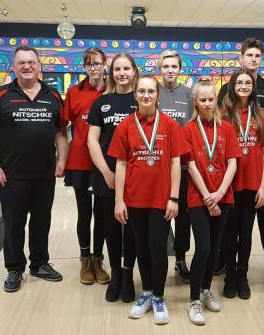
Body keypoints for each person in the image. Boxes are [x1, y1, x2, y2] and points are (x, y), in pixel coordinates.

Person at [0, 45, 68, 293]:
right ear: (14, 66)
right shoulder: (1, 95)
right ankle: (14, 268)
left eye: (31, 62)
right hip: (11, 175)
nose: (27, 66)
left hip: (44, 175)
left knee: (42, 222)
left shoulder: (53, 96)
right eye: (22, 63)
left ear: (39, 66)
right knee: (14, 223)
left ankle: (39, 264)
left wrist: (62, 160)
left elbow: (61, 131)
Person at [109, 75, 188, 325]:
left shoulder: (169, 125)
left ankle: (160, 297)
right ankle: (147, 293)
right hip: (134, 199)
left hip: (161, 199)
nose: (146, 95)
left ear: (157, 95)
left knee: (157, 248)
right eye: (141, 91)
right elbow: (120, 164)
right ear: (135, 95)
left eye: (150, 91)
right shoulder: (125, 126)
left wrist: (174, 197)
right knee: (141, 247)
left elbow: (176, 162)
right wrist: (119, 201)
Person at [218, 37, 264, 277]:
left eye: (258, 56)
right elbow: (221, 123)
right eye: (250, 55)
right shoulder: (227, 89)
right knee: (230, 214)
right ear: (241, 58)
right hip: (232, 165)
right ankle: (223, 259)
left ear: (261, 59)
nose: (254, 60)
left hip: (257, 162)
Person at [183, 81, 240, 325]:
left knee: (215, 249)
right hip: (199, 197)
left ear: (216, 100)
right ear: (195, 102)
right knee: (204, 248)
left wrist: (218, 194)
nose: (207, 104)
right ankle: (194, 299)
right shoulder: (188, 129)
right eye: (202, 100)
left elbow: (233, 164)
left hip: (223, 196)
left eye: (210, 99)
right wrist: (208, 196)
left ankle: (206, 290)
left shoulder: (226, 128)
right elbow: (192, 166)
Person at [87, 53, 138, 303]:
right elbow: (92, 140)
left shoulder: (143, 99)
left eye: (126, 68)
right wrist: (107, 172)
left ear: (134, 71)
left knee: (131, 230)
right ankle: (116, 275)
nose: (122, 73)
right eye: (118, 69)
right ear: (112, 72)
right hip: (105, 175)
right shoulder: (101, 102)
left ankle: (128, 276)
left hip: (136, 178)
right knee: (110, 228)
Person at [221, 69, 264, 300]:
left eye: (247, 83)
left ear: (253, 88)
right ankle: (229, 275)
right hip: (230, 184)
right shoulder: (223, 114)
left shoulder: (261, 115)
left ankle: (242, 275)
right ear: (232, 86)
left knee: (245, 233)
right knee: (228, 232)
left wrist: (263, 187)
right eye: (239, 83)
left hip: (252, 185)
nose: (243, 86)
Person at [62, 48, 109, 286]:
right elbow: (63, 126)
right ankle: (85, 260)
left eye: (97, 63)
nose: (93, 67)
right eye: (89, 64)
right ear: (84, 67)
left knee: (102, 213)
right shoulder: (74, 92)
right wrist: (60, 159)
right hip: (80, 160)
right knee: (84, 212)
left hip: (104, 161)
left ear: (104, 65)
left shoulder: (112, 91)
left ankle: (98, 259)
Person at [157, 50, 193, 284]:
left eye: (174, 66)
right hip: (158, 168)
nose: (170, 70)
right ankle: (157, 258)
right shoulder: (152, 91)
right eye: (166, 66)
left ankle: (180, 259)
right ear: (160, 69)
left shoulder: (189, 94)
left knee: (183, 218)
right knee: (159, 217)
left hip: (182, 167)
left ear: (180, 69)